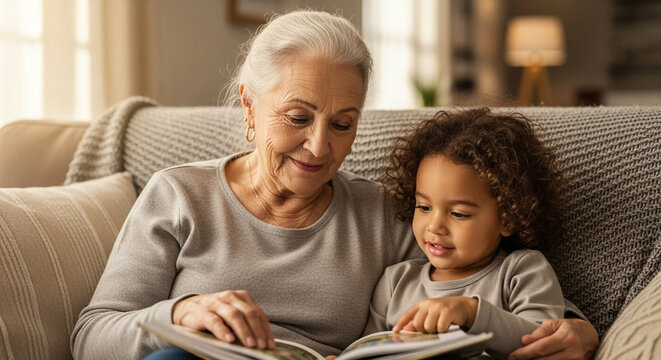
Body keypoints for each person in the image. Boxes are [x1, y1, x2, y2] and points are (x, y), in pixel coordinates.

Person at [70, 10, 598, 360]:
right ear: (250, 105)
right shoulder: (178, 197)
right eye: (298, 117)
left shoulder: (383, 214)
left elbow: (481, 267)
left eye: (343, 124)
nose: (320, 147)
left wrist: (577, 328)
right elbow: (92, 337)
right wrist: (181, 313)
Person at [360, 108, 578, 359]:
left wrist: (472, 313)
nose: (435, 226)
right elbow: (368, 350)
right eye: (424, 207)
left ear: (508, 216)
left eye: (459, 213)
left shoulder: (521, 271)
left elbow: (543, 342)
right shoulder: (395, 282)